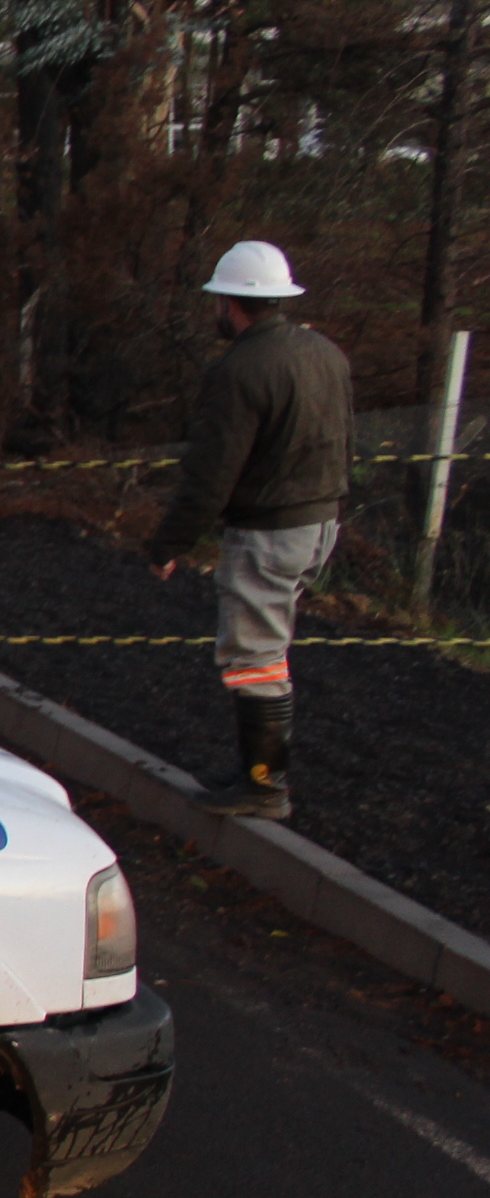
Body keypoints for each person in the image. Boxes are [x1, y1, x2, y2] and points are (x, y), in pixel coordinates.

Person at [143, 240, 353, 819]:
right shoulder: (325, 353)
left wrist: (170, 543)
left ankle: (264, 785)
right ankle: (255, 773)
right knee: (270, 646)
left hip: (269, 531)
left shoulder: (239, 371)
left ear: (232, 304)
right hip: (320, 522)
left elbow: (211, 474)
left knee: (255, 654)